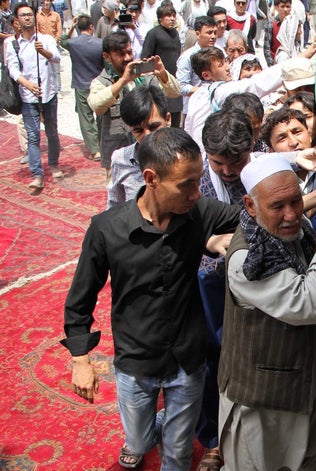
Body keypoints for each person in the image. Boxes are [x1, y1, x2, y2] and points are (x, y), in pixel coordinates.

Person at [62, 126, 242, 470]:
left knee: (177, 454)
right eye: (185, 184)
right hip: (136, 363)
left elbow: (260, 212)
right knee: (140, 441)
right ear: (151, 178)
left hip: (188, 362)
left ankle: (174, 428)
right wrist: (80, 360)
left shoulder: (199, 213)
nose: (195, 192)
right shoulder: (106, 229)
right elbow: (80, 298)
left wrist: (309, 196)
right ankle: (155, 427)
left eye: (197, 180)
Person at [217, 155, 316, 470]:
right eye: (277, 206)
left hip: (303, 392)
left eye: (297, 201)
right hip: (262, 406)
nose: (291, 215)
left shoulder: (291, 232)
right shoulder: (246, 259)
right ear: (250, 205)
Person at [194, 107, 255, 471]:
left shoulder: (265, 172)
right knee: (210, 366)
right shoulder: (194, 181)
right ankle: (213, 440)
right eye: (219, 164)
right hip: (208, 294)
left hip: (256, 292)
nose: (229, 172)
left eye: (237, 162)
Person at [89, 31, 180, 177]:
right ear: (107, 56)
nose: (127, 58)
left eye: (129, 52)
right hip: (120, 152)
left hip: (153, 150)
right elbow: (96, 105)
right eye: (120, 54)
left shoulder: (145, 77)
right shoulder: (101, 82)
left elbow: (175, 92)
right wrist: (123, 81)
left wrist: (162, 73)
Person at [6, 2, 62, 191]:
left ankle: (53, 162)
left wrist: (43, 51)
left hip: (48, 94)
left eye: (30, 14)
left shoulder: (45, 39)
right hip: (28, 96)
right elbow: (13, 70)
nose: (27, 17)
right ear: (17, 20)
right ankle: (37, 173)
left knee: (52, 131)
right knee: (32, 136)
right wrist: (28, 85)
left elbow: (56, 57)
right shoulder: (13, 44)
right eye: (23, 15)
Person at [106, 84, 171, 208]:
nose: (147, 135)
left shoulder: (185, 157)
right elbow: (114, 207)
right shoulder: (121, 159)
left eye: (153, 127)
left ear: (167, 119)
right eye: (138, 131)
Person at [61, 14, 104, 162]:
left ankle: (94, 150)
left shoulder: (73, 43)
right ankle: (103, 143)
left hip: (81, 85)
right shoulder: (100, 43)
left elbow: (62, 40)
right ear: (91, 26)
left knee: (86, 118)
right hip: (98, 84)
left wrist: (71, 26)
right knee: (102, 115)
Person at [142, 1, 183, 127]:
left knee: (175, 119)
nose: (172, 19)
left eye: (173, 15)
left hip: (174, 81)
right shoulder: (153, 34)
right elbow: (145, 58)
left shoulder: (175, 33)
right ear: (160, 19)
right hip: (159, 83)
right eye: (168, 16)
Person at [176, 15, 216, 117]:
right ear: (198, 34)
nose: (213, 36)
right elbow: (181, 87)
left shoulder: (219, 53)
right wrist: (208, 91)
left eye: (215, 32)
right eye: (209, 33)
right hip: (194, 111)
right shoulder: (187, 57)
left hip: (214, 110)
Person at [263, 0, 292, 66]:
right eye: (282, 6)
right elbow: (267, 49)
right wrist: (272, 66)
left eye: (287, 6)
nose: (285, 9)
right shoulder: (271, 25)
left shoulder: (294, 25)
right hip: (276, 64)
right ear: (276, 7)